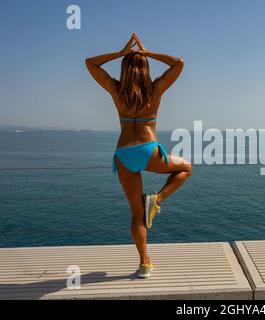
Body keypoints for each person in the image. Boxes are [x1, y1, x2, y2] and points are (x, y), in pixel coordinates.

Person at [86, 33, 192, 278]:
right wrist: (147, 52)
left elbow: (90, 63)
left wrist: (120, 53)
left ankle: (145, 264)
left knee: (136, 213)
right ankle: (157, 199)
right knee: (186, 167)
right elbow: (179, 63)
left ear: (124, 68)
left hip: (123, 154)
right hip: (148, 150)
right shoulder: (155, 89)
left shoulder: (116, 89)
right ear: (146, 67)